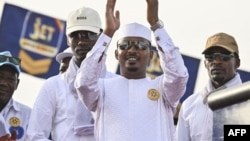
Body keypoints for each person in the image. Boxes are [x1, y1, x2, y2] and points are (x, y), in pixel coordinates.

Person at [75, 0, 189, 140]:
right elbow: (83, 83)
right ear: (116, 54)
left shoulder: (163, 89)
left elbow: (179, 75)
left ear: (151, 55)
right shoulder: (102, 89)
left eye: (141, 45)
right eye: (124, 45)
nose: (132, 50)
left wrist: (156, 25)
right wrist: (107, 33)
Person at [26, 6, 116, 141]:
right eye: (75, 35)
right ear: (68, 39)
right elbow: (35, 135)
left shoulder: (116, 84)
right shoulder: (53, 86)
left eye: (88, 34)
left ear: (100, 36)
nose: (81, 41)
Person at [175, 32, 242, 141]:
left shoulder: (246, 102)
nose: (216, 61)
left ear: (237, 63)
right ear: (206, 63)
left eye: (224, 56)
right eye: (210, 57)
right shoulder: (190, 105)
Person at [0, 51, 31, 141]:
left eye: (10, 79)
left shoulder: (28, 115)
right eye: (0, 76)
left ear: (17, 84)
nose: (4, 83)